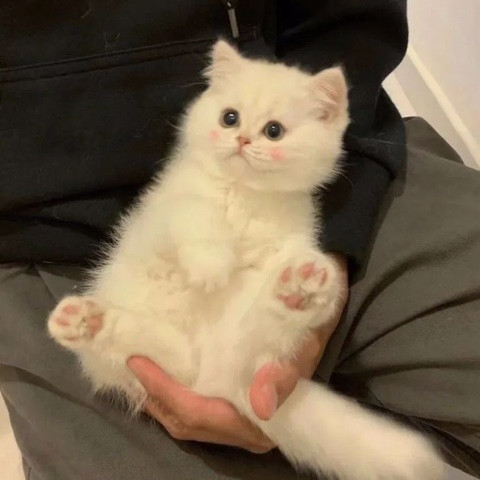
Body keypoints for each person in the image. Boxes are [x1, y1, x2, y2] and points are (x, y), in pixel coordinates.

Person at [0, 1, 479, 479]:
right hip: (38, 231)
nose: (244, 140)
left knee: (264, 304)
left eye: (271, 130)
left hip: (327, 209)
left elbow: (351, 24)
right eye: (230, 120)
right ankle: (122, 333)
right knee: (140, 354)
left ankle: (277, 317)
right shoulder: (194, 180)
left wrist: (326, 264)